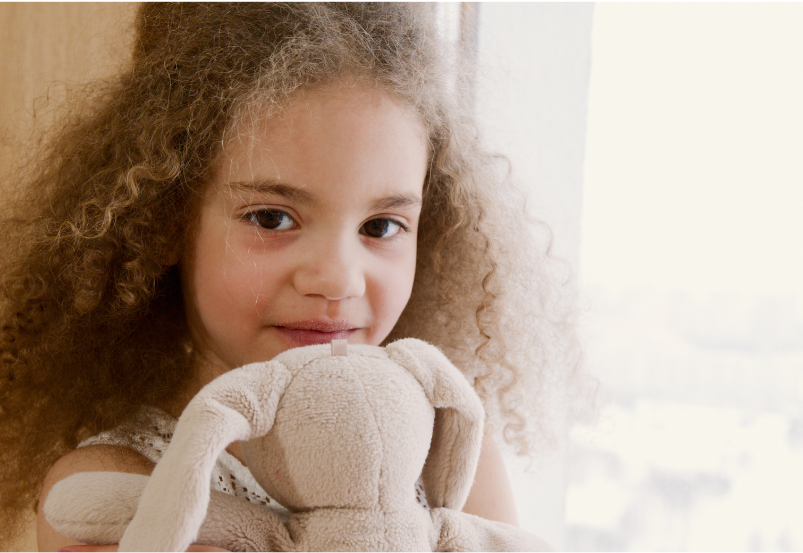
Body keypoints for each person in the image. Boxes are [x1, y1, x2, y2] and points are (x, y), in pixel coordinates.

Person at [0, 4, 584, 551]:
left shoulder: (451, 450)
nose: (337, 280)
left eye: (381, 226)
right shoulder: (114, 485)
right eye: (272, 218)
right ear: (164, 226)